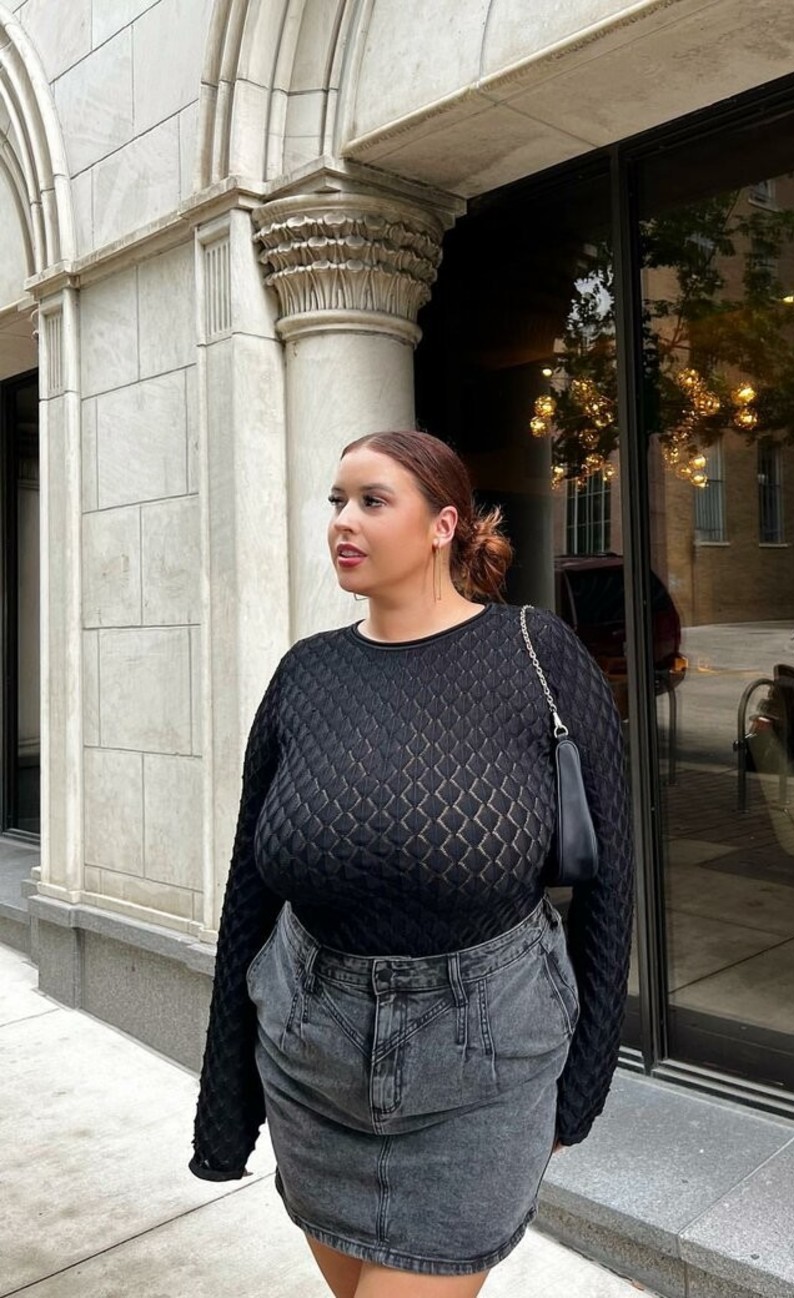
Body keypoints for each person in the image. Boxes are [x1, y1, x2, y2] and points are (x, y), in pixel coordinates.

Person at [189, 429, 633, 1298]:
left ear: (443, 525)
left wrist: (582, 1086)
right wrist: (227, 1104)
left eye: (372, 501)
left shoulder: (536, 654)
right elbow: (249, 895)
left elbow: (609, 886)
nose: (342, 522)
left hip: (483, 1067)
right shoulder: (305, 674)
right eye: (336, 502)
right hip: (311, 1066)